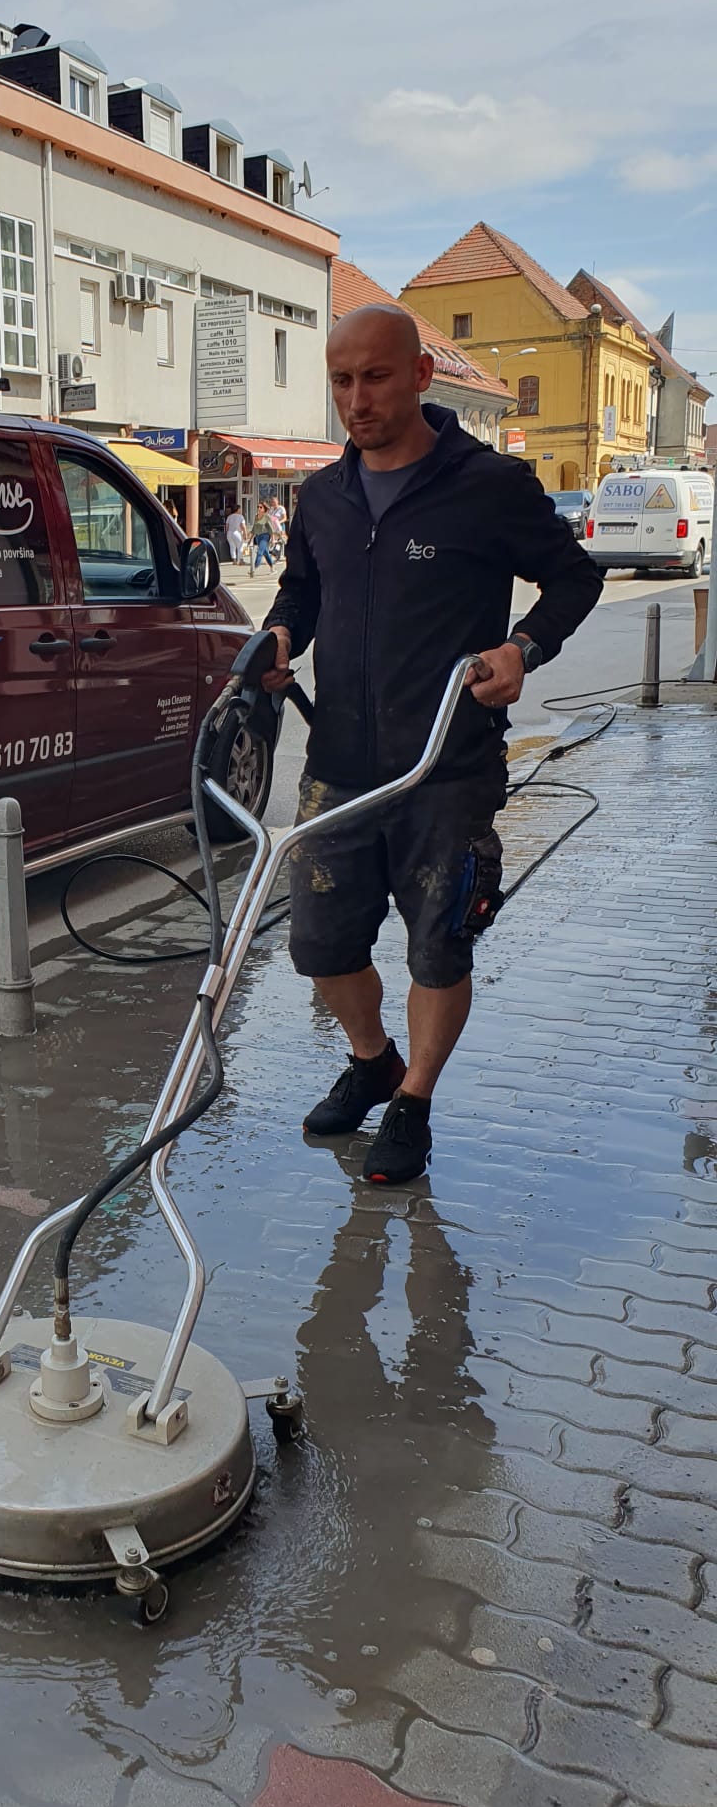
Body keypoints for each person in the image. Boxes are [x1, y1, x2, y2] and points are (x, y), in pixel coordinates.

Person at [264, 303, 602, 1184]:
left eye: (375, 377)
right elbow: (299, 594)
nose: (356, 398)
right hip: (338, 766)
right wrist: (275, 639)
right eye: (341, 380)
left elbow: (574, 576)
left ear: (419, 375)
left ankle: (412, 1100)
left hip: (447, 767)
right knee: (320, 946)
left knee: (437, 947)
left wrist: (522, 648)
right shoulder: (322, 497)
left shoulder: (487, 485)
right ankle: (371, 1059)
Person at [251, 503, 276, 572]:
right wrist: (250, 539)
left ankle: (254, 568)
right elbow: (254, 528)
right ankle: (272, 567)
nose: (259, 508)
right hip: (258, 537)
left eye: (260, 507)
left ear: (264, 509)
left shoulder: (267, 516)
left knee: (260, 552)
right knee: (265, 553)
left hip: (265, 536)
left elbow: (271, 529)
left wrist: (273, 539)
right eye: (258, 507)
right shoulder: (256, 516)